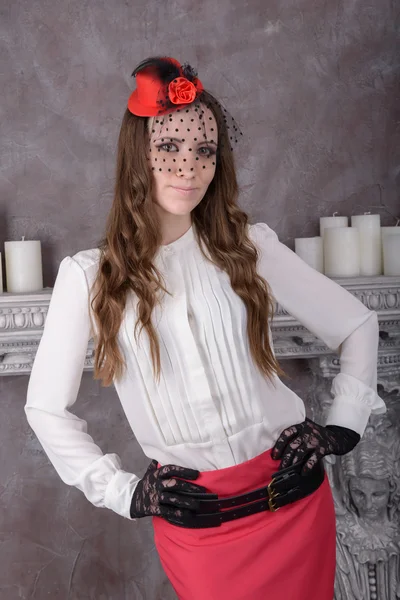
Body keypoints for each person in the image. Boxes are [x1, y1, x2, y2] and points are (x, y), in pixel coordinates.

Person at [25, 56, 387, 600]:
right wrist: (125, 492)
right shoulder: (89, 277)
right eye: (168, 148)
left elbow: (358, 324)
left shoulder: (249, 246)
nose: (188, 168)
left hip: (294, 504)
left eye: (204, 151)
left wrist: (344, 426)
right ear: (137, 157)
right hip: (200, 529)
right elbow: (46, 409)